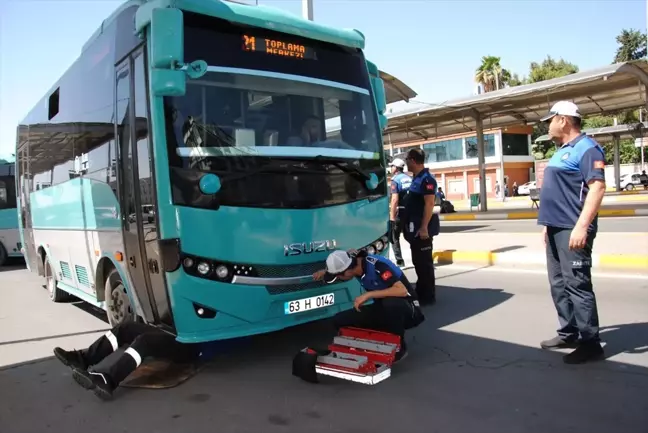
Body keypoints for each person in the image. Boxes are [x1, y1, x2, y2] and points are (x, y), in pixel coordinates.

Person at [537, 100, 606, 364]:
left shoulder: (587, 148)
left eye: (550, 120)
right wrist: (547, 227)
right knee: (559, 284)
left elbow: (597, 188)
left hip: (572, 229)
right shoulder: (562, 150)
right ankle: (569, 332)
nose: (548, 125)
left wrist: (581, 226)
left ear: (563, 119)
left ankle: (591, 343)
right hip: (556, 229)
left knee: (577, 284)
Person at [313, 249, 425, 362]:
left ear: (347, 272)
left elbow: (402, 291)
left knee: (390, 303)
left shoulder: (377, 266)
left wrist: (368, 295)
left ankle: (399, 346)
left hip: (409, 310)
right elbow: (344, 258)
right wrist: (324, 272)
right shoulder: (352, 262)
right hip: (382, 309)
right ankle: (364, 344)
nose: (338, 279)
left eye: (338, 277)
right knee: (339, 319)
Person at [53, 322, 201, 400]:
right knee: (125, 328)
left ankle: (109, 380)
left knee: (145, 342)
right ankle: (83, 359)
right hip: (174, 331)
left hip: (194, 342)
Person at [401, 148, 440, 304]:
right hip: (414, 228)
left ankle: (428, 296)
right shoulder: (416, 178)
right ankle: (421, 291)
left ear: (413, 161)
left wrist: (424, 227)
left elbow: (429, 203)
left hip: (421, 230)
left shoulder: (427, 180)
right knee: (418, 262)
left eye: (407, 160)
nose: (406, 163)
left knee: (424, 264)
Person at [389, 158, 412, 267]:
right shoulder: (409, 178)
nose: (391, 168)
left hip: (400, 211)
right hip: (410, 211)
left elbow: (394, 200)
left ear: (396, 168)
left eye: (392, 166)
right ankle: (418, 256)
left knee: (394, 237)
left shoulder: (395, 180)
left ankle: (399, 261)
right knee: (410, 236)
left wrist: (392, 217)